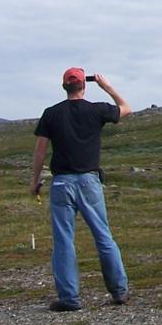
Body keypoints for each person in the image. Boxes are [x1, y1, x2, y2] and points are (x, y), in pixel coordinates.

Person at [30, 67, 132, 311]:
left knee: (64, 241)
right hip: (89, 182)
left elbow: (40, 151)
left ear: (64, 86)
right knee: (103, 236)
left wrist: (34, 181)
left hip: (62, 182)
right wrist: (106, 86)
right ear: (83, 85)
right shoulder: (96, 110)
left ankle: (69, 298)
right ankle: (119, 291)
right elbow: (126, 108)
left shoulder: (51, 114)